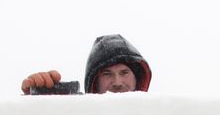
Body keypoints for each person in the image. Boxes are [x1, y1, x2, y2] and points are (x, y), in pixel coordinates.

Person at [21, 34, 152, 95]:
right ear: (94, 83)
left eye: (124, 72)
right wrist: (40, 105)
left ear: (137, 78)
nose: (117, 82)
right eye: (107, 74)